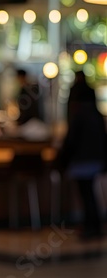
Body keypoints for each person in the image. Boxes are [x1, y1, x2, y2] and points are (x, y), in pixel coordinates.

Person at [56, 70, 107, 240]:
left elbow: (71, 141)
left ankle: (91, 226)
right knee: (90, 194)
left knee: (86, 194)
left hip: (82, 161)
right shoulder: (97, 115)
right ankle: (93, 225)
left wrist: (62, 159)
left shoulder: (79, 116)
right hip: (95, 160)